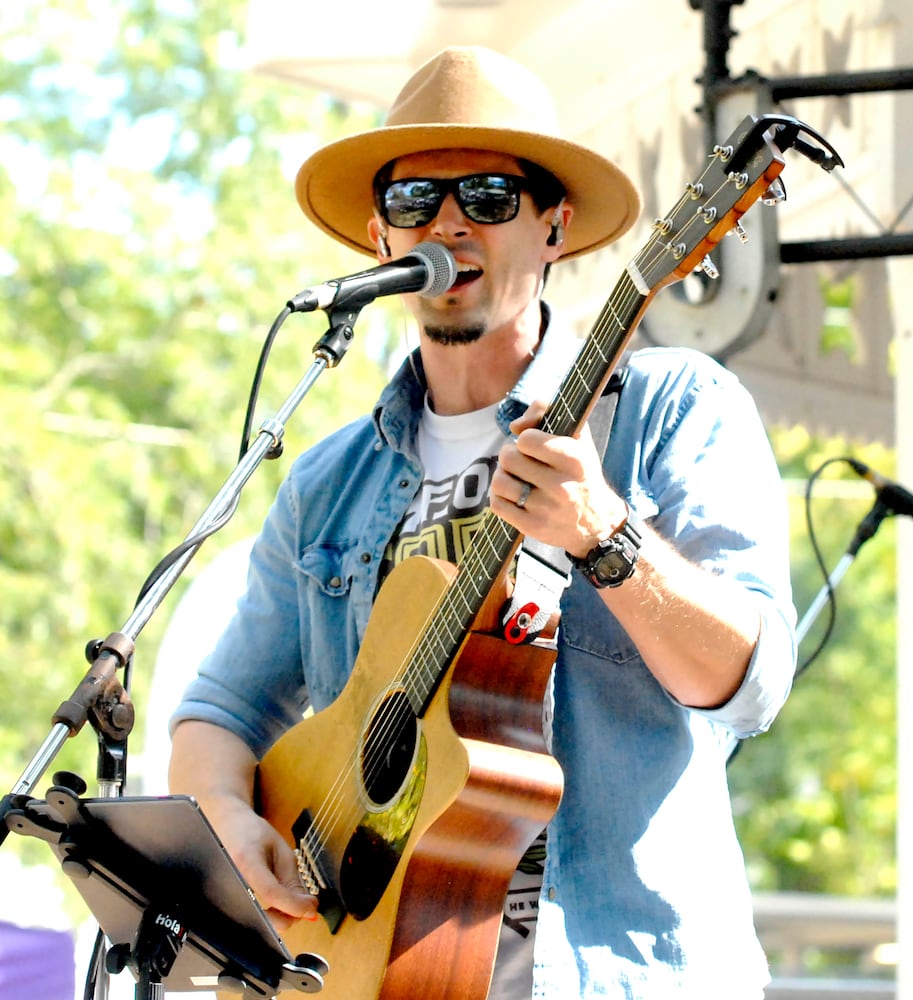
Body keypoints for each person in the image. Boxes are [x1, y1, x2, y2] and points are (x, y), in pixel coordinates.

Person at [168, 45, 796, 999]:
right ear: (381, 238)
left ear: (554, 227)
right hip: (375, 965)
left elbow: (748, 687)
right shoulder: (328, 481)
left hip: (616, 971)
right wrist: (224, 813)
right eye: (418, 203)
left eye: (490, 197)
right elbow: (221, 710)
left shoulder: (673, 408)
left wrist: (607, 539)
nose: (450, 225)